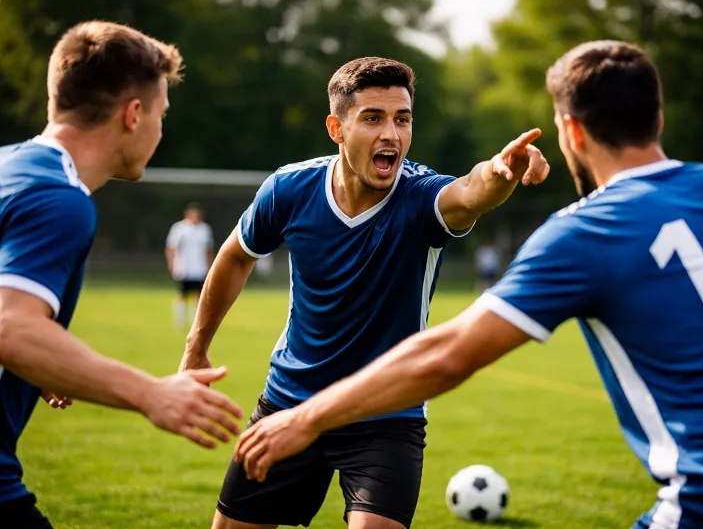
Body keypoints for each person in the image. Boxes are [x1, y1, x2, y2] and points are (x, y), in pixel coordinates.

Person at [232, 41, 703, 529]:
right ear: (658, 117)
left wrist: (305, 418)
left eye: (402, 118)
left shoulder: (589, 230)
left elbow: (449, 353)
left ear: (571, 131)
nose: (393, 133)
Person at [178, 56, 550, 529]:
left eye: (403, 119)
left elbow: (469, 193)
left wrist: (499, 174)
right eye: (373, 118)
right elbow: (236, 255)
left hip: (387, 414)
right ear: (336, 127)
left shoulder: (421, 197)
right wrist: (196, 349)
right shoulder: (289, 189)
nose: (391, 134)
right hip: (291, 399)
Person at [0, 21, 244, 528]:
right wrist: (151, 393)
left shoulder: (10, 168)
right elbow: (12, 326)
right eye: (161, 114)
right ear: (134, 115)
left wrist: (43, 365)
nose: (160, 129)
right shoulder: (60, 201)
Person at [166, 202, 215, 327]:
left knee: (199, 296)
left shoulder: (205, 229)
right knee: (182, 295)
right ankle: (180, 320)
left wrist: (210, 266)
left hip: (200, 268)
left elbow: (208, 250)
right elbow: (171, 248)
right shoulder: (179, 229)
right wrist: (172, 264)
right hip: (184, 268)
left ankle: (195, 320)